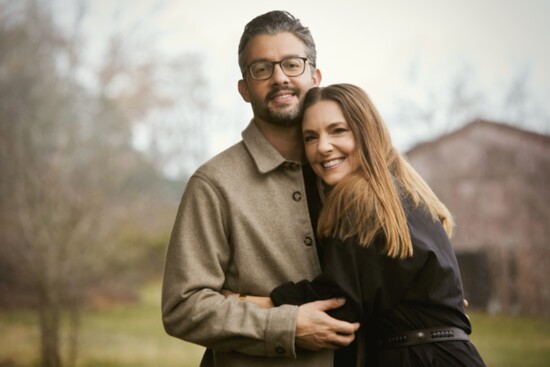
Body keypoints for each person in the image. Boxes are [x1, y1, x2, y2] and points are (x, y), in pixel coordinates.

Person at [161, 11, 359, 367]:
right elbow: (182, 306)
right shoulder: (214, 184)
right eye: (262, 68)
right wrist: (284, 325)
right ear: (244, 88)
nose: (279, 78)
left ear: (315, 76)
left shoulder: (352, 167)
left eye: (292, 64)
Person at [259, 83, 486, 366]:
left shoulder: (361, 200)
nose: (323, 147)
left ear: (366, 132)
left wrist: (253, 304)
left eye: (338, 130)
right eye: (310, 137)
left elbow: (338, 303)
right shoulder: (402, 192)